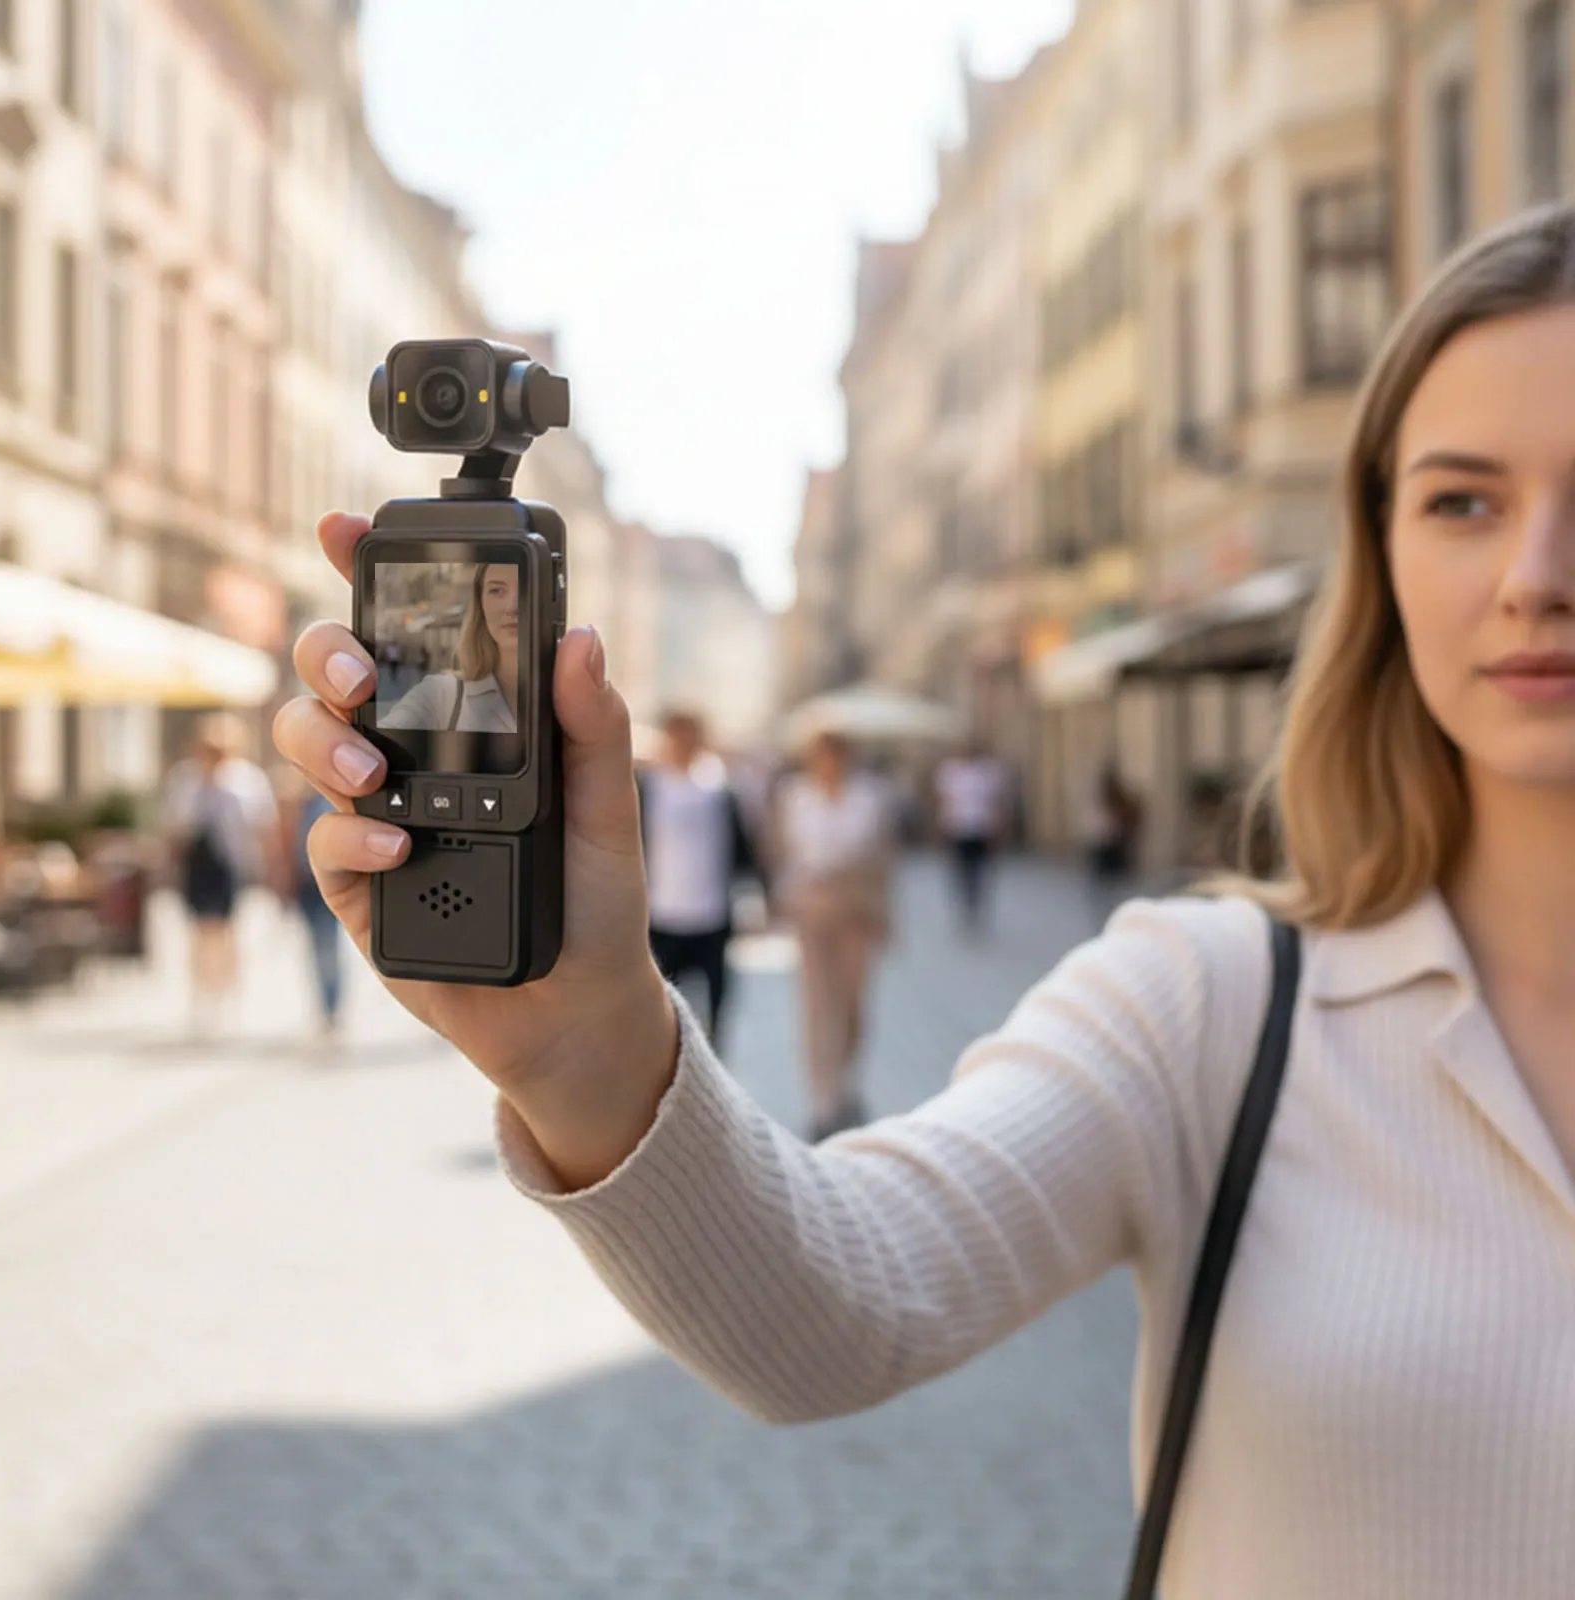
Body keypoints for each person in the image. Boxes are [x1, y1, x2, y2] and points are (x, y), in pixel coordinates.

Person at [277, 202, 1575, 1597]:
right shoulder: (1218, 1006)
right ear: (1381, 551)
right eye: (1462, 501)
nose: (1535, 579)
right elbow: (837, 1312)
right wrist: (584, 1045)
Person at [765, 730, 897, 1141]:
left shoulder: (869, 799)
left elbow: (884, 859)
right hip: (811, 906)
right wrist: (777, 901)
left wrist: (885, 914)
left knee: (853, 1002)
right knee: (817, 1004)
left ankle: (846, 1080)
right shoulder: (795, 798)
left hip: (856, 907)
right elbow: (778, 853)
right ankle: (824, 1099)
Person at [637, 709, 766, 1048]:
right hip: (662, 915)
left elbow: (743, 849)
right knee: (662, 1006)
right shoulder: (648, 787)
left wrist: (757, 896)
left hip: (711, 913)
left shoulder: (719, 789)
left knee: (716, 1005)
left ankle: (711, 1065)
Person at [162, 712, 278, 1035]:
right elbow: (174, 827)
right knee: (200, 933)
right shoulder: (185, 780)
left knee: (227, 932)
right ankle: (202, 996)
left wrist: (272, 869)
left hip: (231, 866)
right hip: (196, 866)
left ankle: (228, 994)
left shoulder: (246, 781)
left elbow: (262, 827)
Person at [381, 563, 519, 732]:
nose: (512, 607)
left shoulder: (559, 695)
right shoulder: (441, 695)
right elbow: (378, 741)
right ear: (480, 606)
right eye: (497, 591)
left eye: (526, 590)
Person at [276, 767, 344, 1038]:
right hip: (305, 884)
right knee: (315, 948)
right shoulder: (297, 804)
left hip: (327, 882)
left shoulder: (330, 802)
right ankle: (324, 1006)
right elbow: (288, 846)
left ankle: (332, 1006)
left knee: (328, 947)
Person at [933, 742, 1010, 933]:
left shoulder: (988, 772)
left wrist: (998, 828)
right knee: (961, 869)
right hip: (958, 828)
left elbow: (996, 802)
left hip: (981, 829)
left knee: (980, 870)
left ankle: (976, 902)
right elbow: (944, 801)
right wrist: (942, 826)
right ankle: (966, 902)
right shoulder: (951, 772)